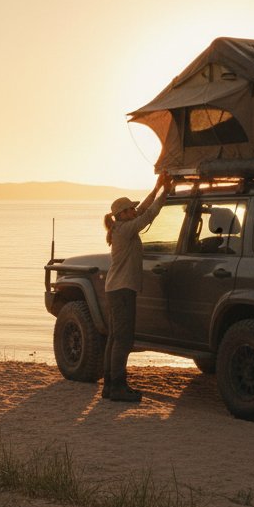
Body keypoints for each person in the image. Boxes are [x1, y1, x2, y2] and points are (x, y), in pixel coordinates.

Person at [101, 171, 172, 402]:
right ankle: (118, 388)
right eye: (130, 209)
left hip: (115, 289)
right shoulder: (125, 229)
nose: (134, 210)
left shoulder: (121, 226)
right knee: (123, 340)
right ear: (122, 214)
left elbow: (143, 209)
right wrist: (166, 194)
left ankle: (110, 386)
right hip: (122, 291)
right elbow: (148, 215)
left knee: (114, 338)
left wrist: (158, 186)